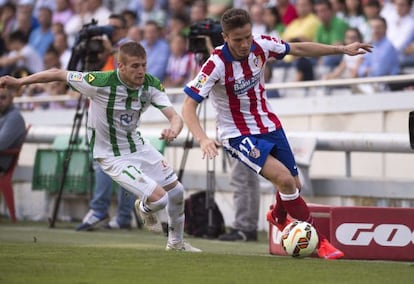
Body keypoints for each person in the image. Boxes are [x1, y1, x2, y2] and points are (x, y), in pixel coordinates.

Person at [181, 8, 372, 259]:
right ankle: (320, 241)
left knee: (295, 185)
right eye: (238, 39)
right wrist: (203, 138)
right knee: (285, 180)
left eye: (248, 36)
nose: (245, 43)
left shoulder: (262, 45)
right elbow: (188, 106)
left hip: (269, 125)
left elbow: (299, 49)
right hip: (237, 134)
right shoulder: (215, 64)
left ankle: (277, 215)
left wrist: (341, 49)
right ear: (225, 37)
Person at [0, 41, 201, 252]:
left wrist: (174, 129)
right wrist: (19, 82)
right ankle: (143, 207)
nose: (141, 70)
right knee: (160, 200)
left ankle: (176, 243)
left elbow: (175, 117)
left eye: (143, 65)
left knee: (177, 191)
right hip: (110, 155)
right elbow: (57, 73)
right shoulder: (99, 81)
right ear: (120, 66)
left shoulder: (150, 84)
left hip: (138, 147)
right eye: (134, 66)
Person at [218, 159, 261, 242]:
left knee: (239, 178)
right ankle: (250, 228)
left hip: (242, 146)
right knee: (250, 180)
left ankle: (242, 227)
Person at [0, 87, 26, 174]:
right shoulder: (4, 115)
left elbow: (1, 143)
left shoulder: (14, 117)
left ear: (12, 98)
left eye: (3, 97)